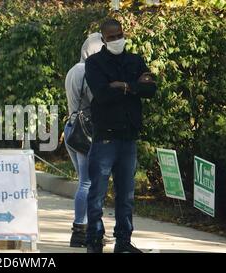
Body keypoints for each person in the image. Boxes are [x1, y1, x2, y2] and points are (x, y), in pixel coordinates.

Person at [85, 19, 157, 253]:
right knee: (97, 192)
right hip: (105, 137)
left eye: (119, 35)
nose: (117, 40)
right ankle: (94, 240)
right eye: (111, 37)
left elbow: (150, 89)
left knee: (126, 195)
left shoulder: (134, 60)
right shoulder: (94, 63)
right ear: (103, 39)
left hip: (128, 137)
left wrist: (123, 85)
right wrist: (133, 86)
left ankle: (123, 242)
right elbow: (102, 94)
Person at [64, 32, 104, 247]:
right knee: (88, 183)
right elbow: (96, 101)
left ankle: (91, 228)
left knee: (85, 182)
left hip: (72, 127)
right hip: (87, 130)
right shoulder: (89, 71)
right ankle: (81, 231)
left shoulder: (73, 70)